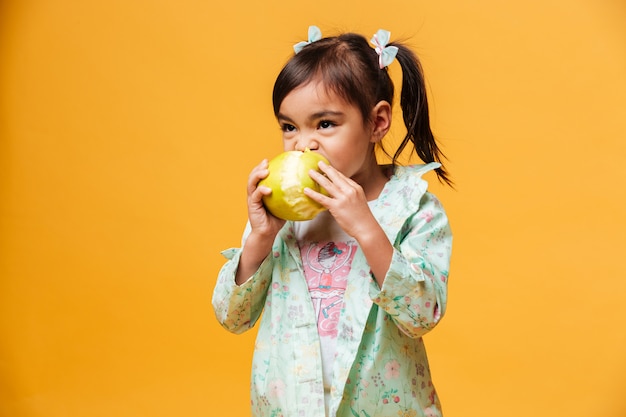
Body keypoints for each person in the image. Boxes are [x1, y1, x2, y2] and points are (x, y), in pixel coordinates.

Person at [212, 25, 453, 417]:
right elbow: (232, 317)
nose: (303, 145)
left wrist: (366, 227)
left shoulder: (414, 208)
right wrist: (259, 239)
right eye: (289, 127)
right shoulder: (285, 217)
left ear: (377, 122)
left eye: (325, 124)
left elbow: (422, 315)